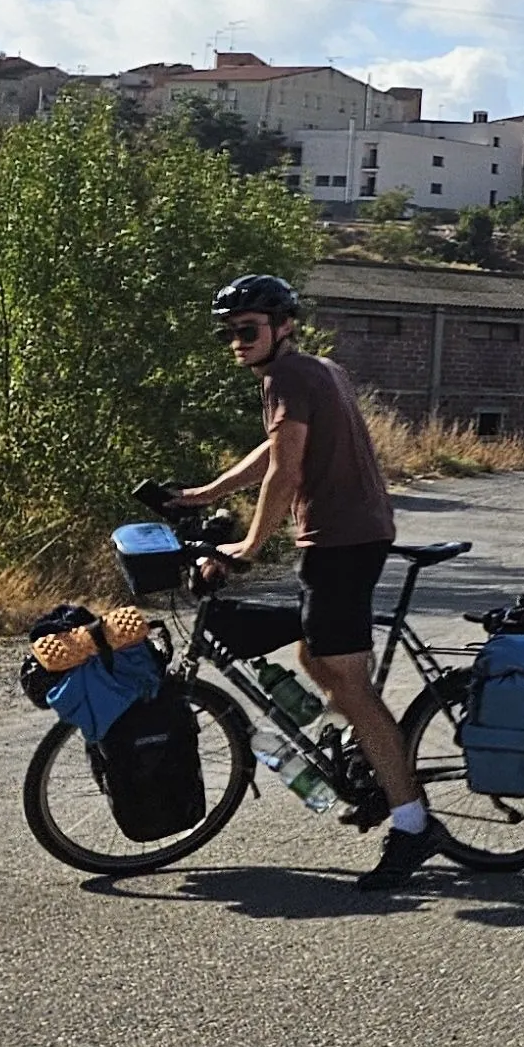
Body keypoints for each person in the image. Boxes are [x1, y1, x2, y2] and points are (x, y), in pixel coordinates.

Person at [170, 273, 446, 889]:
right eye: (229, 333)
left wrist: (246, 545)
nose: (237, 342)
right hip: (352, 535)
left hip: (341, 542)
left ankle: (410, 819)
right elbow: (274, 451)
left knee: (347, 684)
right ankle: (371, 762)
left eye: (247, 330)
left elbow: (285, 474)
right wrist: (205, 492)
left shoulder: (286, 377)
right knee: (313, 656)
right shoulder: (317, 369)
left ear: (282, 326)